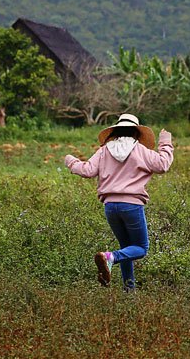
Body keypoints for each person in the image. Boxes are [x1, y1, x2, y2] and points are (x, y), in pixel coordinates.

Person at [64, 113, 174, 291]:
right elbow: (163, 165)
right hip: (131, 206)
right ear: (137, 133)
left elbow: (86, 170)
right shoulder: (140, 150)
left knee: (127, 249)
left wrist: (70, 161)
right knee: (140, 248)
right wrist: (165, 142)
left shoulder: (104, 150)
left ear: (115, 132)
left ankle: (129, 291)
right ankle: (110, 257)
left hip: (110, 207)